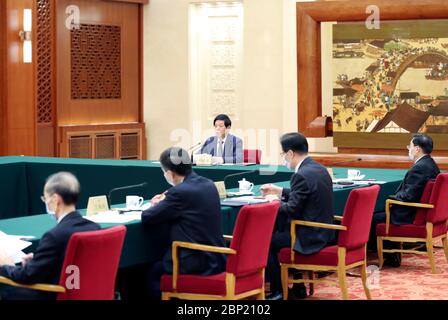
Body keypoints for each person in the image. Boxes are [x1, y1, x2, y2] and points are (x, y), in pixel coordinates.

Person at [141, 147, 226, 299]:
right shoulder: (208, 184)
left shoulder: (179, 193)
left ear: (169, 173)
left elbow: (148, 217)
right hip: (217, 257)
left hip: (196, 261)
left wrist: (156, 204)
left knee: (146, 272)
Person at [0, 172, 100, 300]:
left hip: (59, 293)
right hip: (85, 292)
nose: (45, 202)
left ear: (55, 200)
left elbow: (28, 276)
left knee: (8, 291)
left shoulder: (54, 236)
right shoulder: (94, 227)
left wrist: (6, 266)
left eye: (45, 198)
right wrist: (38, 259)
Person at [260, 133, 335, 300]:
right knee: (281, 231)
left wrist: (273, 203)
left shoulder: (299, 174)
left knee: (265, 242)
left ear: (290, 153)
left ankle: (278, 290)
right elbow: (306, 194)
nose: (283, 159)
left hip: (309, 235)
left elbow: (292, 210)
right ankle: (298, 286)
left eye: (282, 154)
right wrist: (279, 191)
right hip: (324, 231)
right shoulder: (319, 168)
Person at [370, 134, 440, 267]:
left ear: (417, 149)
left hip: (410, 215)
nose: (409, 149)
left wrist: (391, 198)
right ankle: (388, 253)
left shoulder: (419, 168)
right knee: (379, 214)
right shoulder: (430, 163)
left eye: (410, 146)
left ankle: (390, 257)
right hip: (421, 211)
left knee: (372, 218)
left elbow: (409, 196)